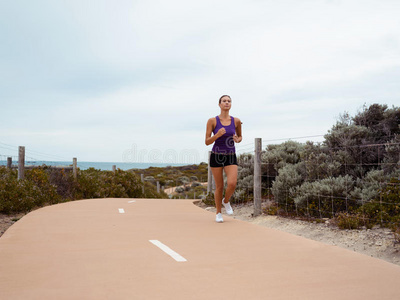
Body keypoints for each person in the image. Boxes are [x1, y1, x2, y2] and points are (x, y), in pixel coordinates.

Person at [205, 95, 242, 223]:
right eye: (224, 101)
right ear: (219, 104)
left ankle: (226, 201)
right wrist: (217, 135)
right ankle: (218, 213)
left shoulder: (236, 121)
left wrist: (238, 139)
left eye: (229, 101)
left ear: (231, 104)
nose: (227, 103)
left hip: (230, 155)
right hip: (216, 155)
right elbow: (207, 142)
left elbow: (240, 136)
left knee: (232, 183)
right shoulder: (212, 121)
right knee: (219, 187)